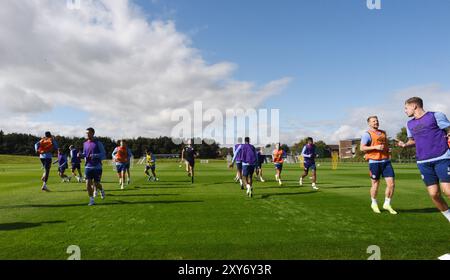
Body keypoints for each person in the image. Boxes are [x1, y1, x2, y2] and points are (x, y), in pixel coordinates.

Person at [397, 97, 450, 222]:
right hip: (423, 162)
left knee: (447, 191)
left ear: (414, 106)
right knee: (434, 194)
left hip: (442, 157)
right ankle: (448, 215)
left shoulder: (436, 116)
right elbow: (412, 140)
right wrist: (405, 144)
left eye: (406, 108)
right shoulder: (409, 124)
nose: (405, 111)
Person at [360, 117, 397, 214]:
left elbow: (385, 145)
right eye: (374, 121)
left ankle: (387, 203)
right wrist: (375, 147)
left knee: (391, 184)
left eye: (377, 121)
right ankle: (374, 203)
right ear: (369, 123)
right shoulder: (367, 134)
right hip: (374, 162)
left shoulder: (383, 133)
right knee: (375, 185)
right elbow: (362, 148)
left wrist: (388, 150)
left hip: (386, 161)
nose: (376, 122)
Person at [82, 127, 106, 206]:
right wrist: (81, 155)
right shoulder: (85, 143)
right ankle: (91, 200)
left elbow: (103, 154)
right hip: (88, 166)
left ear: (93, 133)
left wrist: (95, 155)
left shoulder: (98, 143)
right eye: (86, 133)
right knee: (88, 183)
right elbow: (85, 154)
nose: (87, 134)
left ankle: (101, 190)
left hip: (97, 167)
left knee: (96, 184)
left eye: (88, 133)